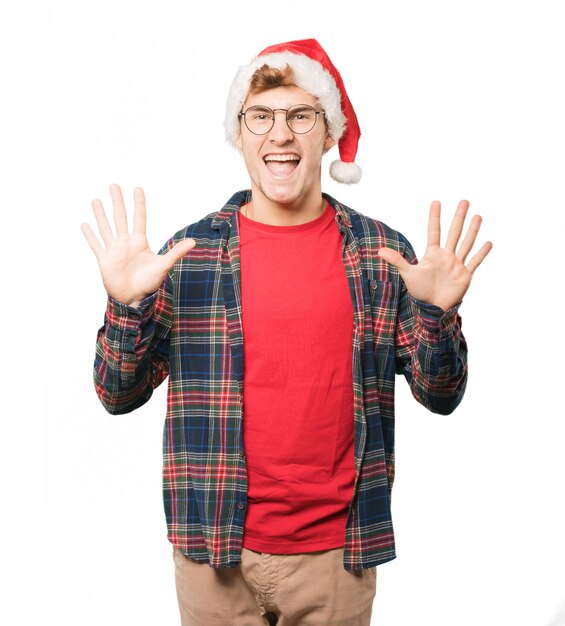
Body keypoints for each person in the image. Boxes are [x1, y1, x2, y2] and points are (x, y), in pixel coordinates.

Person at [81, 39, 492, 626]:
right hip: (212, 551)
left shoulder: (383, 256)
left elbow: (441, 395)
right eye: (262, 116)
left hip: (337, 559)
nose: (281, 134)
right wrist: (127, 306)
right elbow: (117, 396)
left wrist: (437, 314)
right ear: (240, 133)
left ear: (328, 135)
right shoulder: (188, 256)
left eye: (301, 116)